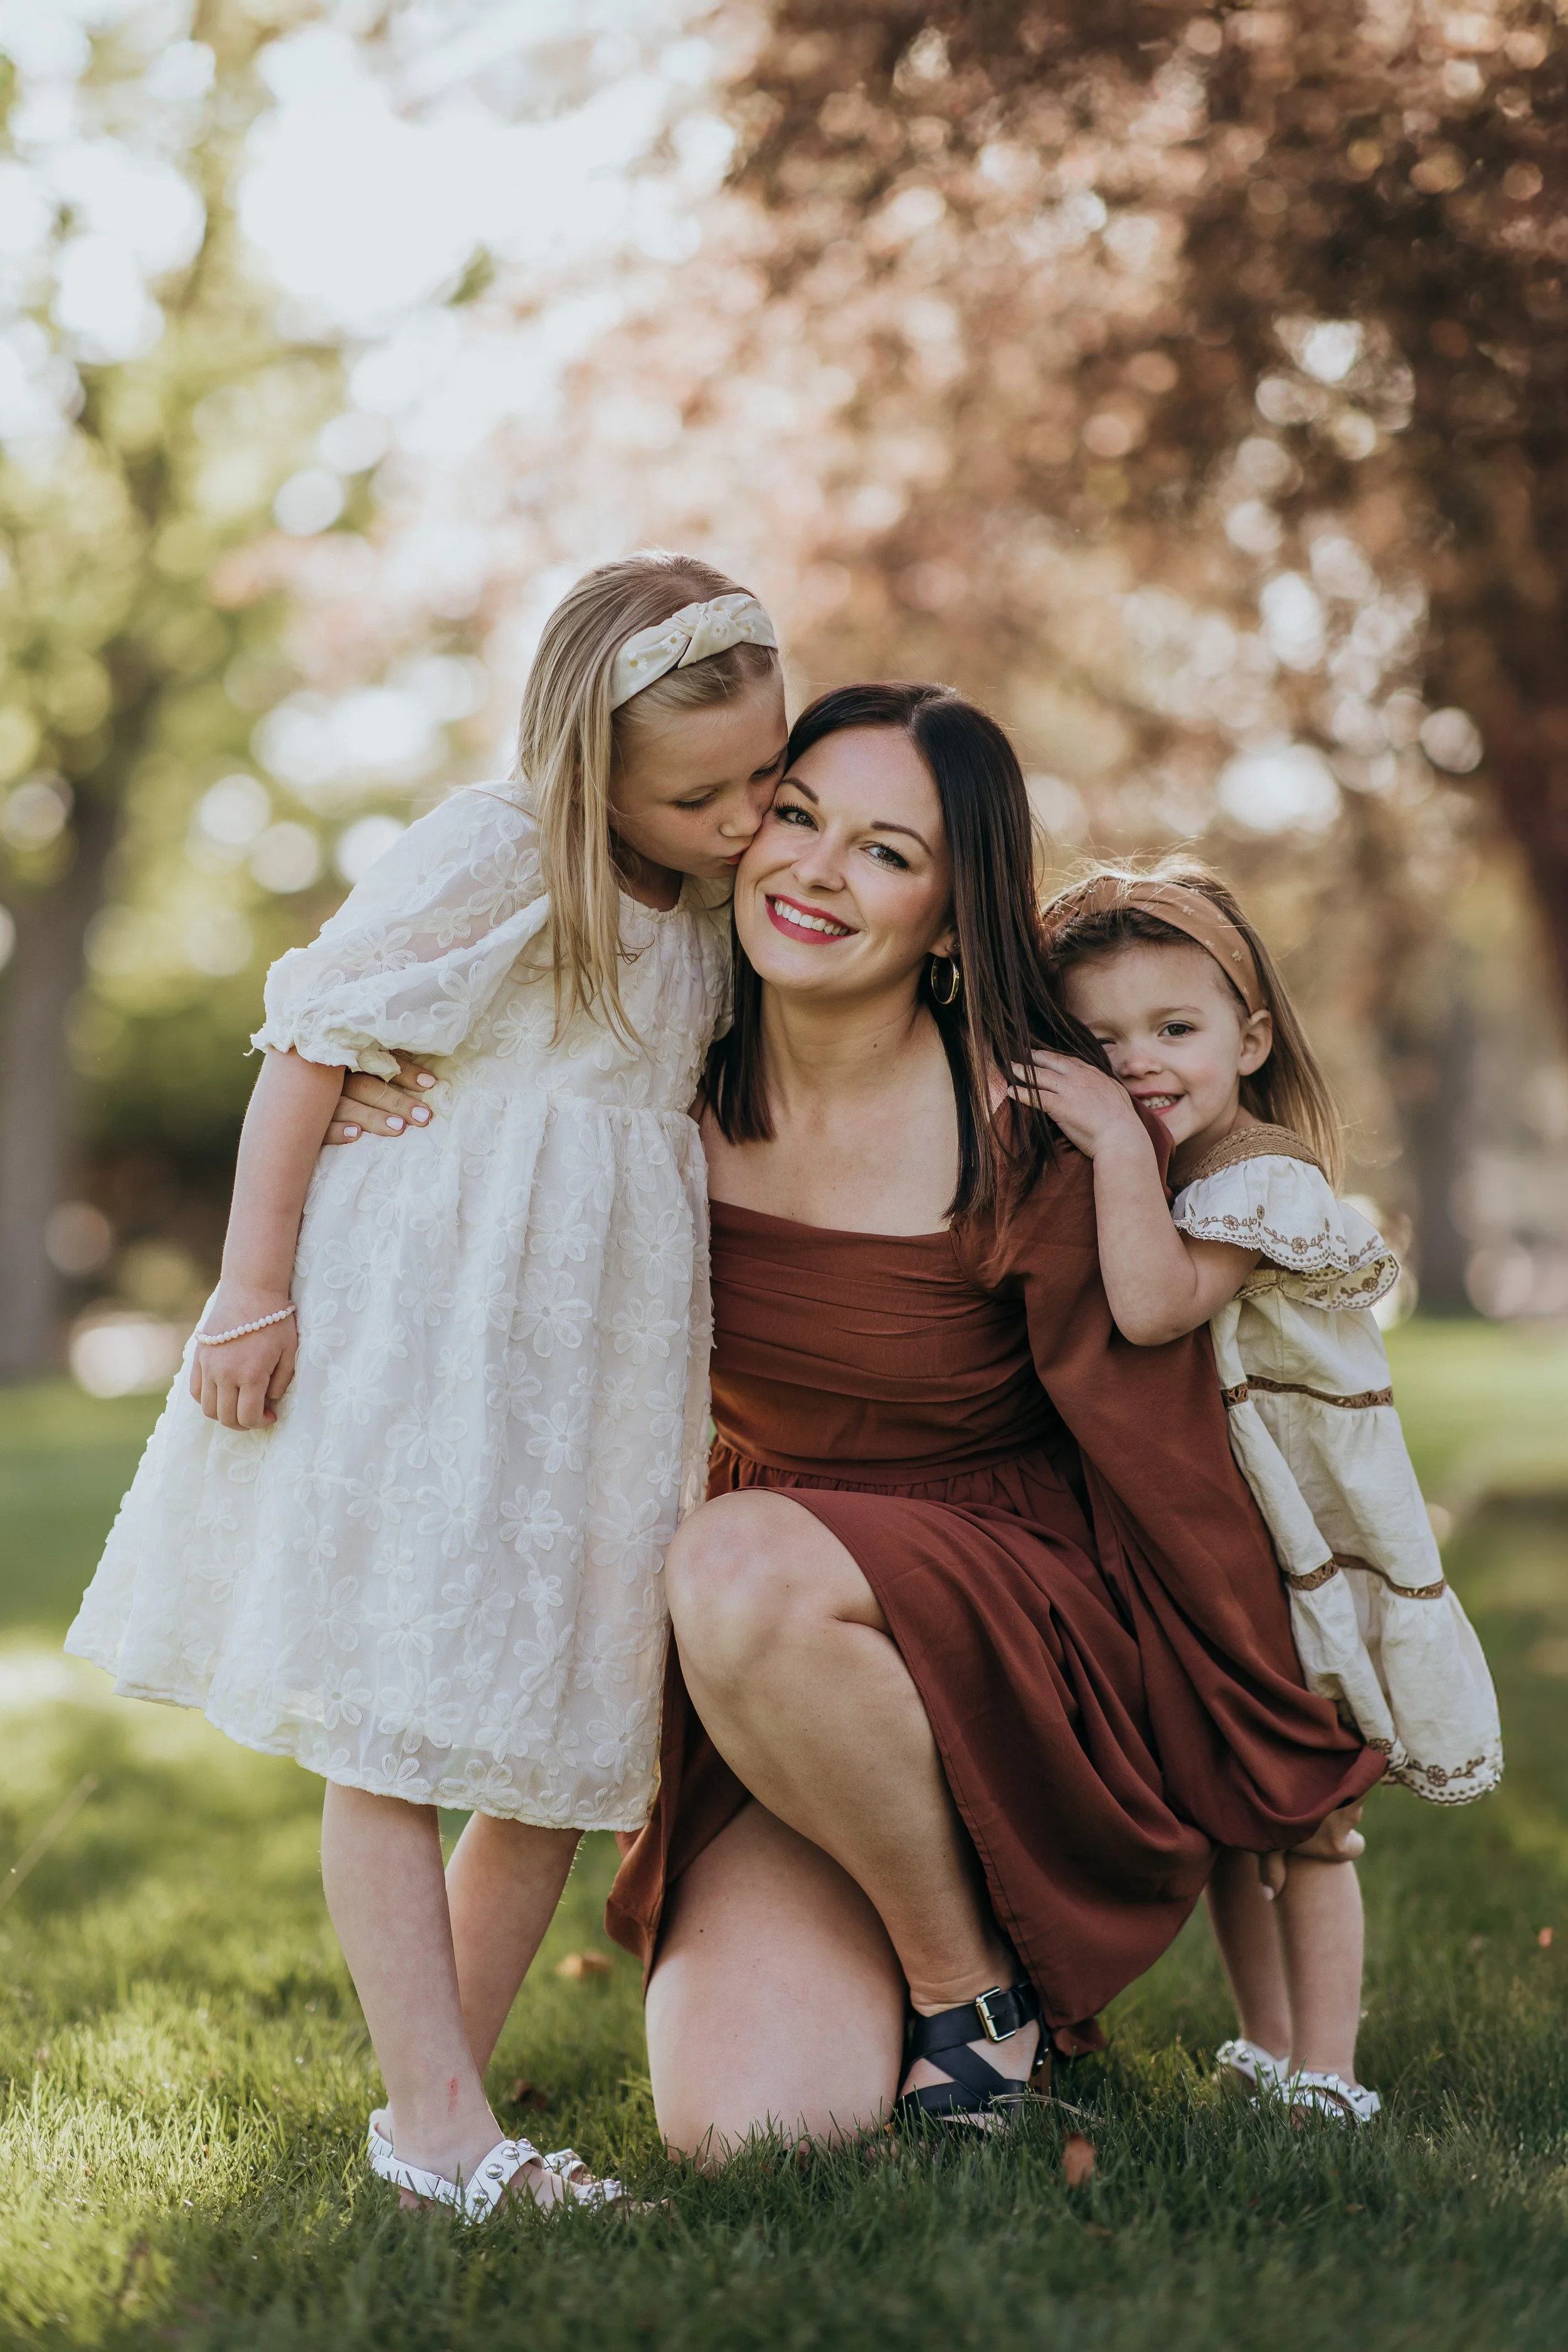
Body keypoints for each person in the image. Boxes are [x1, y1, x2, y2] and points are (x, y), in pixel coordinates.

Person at [65, 550, 788, 2219]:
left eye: (765, 771)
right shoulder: (502, 846)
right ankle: (445, 2126)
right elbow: (313, 1041)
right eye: (706, 792)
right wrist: (250, 1291)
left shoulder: (717, 906)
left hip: (597, 1363)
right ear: (592, 766)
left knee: (557, 1736)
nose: (748, 816)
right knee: (394, 1719)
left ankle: (428, 2112)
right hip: (435, 1331)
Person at [590, 683, 1385, 2156]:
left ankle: (973, 1999)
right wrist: (364, 1088)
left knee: (736, 1560)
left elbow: (1158, 1445)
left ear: (954, 919)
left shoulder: (1034, 1121)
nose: (817, 872)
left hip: (1013, 1624)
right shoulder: (650, 1075)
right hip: (790, 1682)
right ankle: (908, 1911)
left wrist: (1261, 1721)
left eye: (887, 853)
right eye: (797, 816)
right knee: (754, 2132)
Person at [1030, 859, 1502, 2124]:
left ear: (1246, 1038)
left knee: (1303, 1820)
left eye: (1171, 1031)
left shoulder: (1260, 1184)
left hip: (1297, 1551)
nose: (1135, 1065)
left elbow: (1148, 1307)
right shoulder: (1163, 1168)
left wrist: (1104, 1146)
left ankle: (1330, 2071)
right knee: (1235, 1808)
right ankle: (1263, 2046)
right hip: (1217, 1551)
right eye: (1095, 1043)